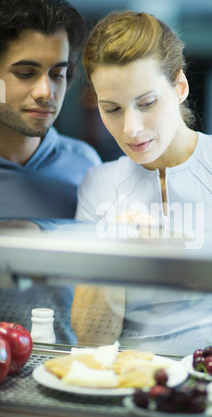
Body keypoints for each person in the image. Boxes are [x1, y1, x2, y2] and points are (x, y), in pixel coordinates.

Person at [74, 11, 212, 359]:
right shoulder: (100, 185)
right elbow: (91, 340)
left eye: (147, 103)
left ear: (180, 87)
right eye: (112, 109)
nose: (131, 128)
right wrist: (116, 248)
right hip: (137, 393)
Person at [0, 0, 101, 343]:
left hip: (69, 375)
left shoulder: (85, 164)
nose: (46, 92)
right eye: (25, 73)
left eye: (57, 74)